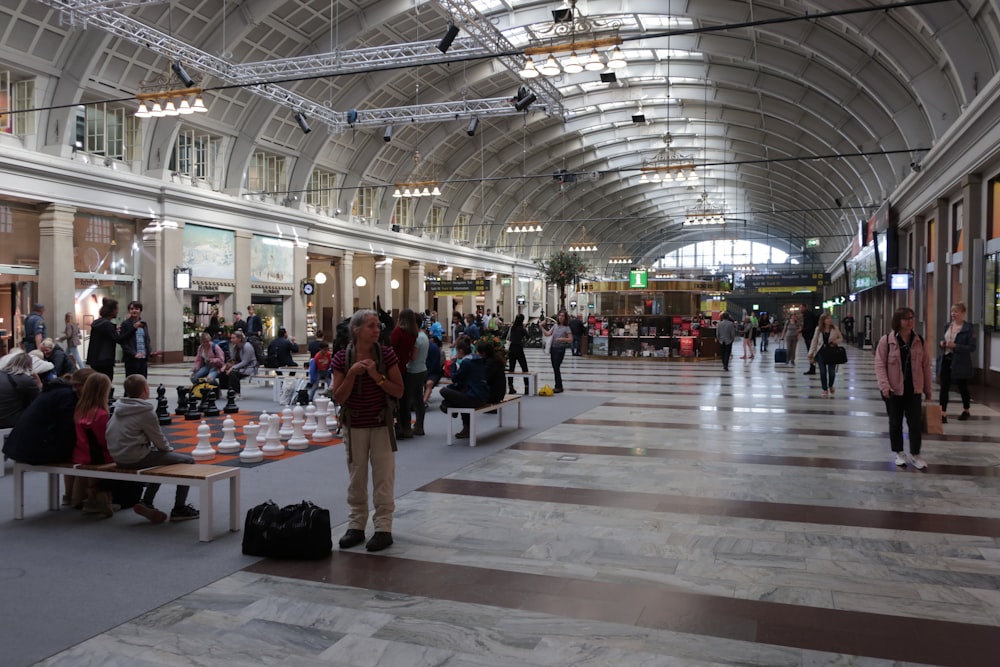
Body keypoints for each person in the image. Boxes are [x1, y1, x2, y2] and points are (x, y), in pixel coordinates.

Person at [332, 309, 404, 552]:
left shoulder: (386, 355)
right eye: (371, 326)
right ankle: (356, 524)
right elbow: (339, 396)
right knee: (357, 476)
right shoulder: (343, 358)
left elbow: (398, 391)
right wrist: (352, 374)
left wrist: (375, 375)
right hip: (354, 426)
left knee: (384, 476)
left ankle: (384, 527)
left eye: (378, 326)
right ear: (357, 329)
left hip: (381, 424)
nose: (377, 330)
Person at [107, 374, 200, 523]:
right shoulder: (145, 411)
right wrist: (168, 450)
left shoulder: (118, 407)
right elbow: (159, 440)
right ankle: (179, 508)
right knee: (187, 461)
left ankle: (147, 501)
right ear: (145, 389)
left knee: (159, 460)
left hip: (118, 457)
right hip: (135, 457)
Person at [875, 307, 932, 469]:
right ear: (898, 321)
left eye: (912, 318)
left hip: (914, 389)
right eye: (906, 319)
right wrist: (884, 385)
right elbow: (880, 365)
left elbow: (926, 366)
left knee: (915, 423)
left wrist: (928, 389)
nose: (910, 321)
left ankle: (916, 454)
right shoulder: (887, 340)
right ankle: (899, 452)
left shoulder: (919, 340)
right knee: (895, 422)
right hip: (893, 390)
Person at [72, 373, 115, 517]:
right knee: (116, 461)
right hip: (94, 455)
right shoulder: (101, 414)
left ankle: (89, 497)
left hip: (80, 453)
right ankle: (98, 496)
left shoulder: (79, 408)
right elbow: (103, 440)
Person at [439, 337, 488, 439]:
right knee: (455, 392)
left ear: (460, 351)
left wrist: (452, 364)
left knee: (444, 391)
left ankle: (449, 407)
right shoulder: (477, 359)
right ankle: (464, 427)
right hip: (482, 394)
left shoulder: (466, 362)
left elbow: (455, 378)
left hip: (474, 397)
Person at [937, 301, 976, 423]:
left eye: (956, 311)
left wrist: (956, 346)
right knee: (944, 387)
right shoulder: (947, 326)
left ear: (963, 313)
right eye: (952, 311)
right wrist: (942, 344)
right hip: (946, 359)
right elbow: (944, 340)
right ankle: (942, 413)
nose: (953, 314)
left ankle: (966, 409)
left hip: (960, 362)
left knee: (962, 386)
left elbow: (971, 347)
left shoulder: (968, 328)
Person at [390, 308, 419, 439]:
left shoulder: (398, 332)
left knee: (393, 400)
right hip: (404, 369)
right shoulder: (413, 334)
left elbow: (391, 349)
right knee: (404, 401)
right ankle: (406, 427)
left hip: (394, 368)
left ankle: (397, 427)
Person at [0, 351, 45, 428]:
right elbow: (39, 402)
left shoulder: (2, 374)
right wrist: (39, 384)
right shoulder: (27, 380)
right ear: (29, 366)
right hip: (11, 421)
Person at [807, 313, 844, 398]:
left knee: (832, 372)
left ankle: (831, 385)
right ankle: (824, 389)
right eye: (827, 319)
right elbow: (814, 341)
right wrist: (810, 353)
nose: (829, 320)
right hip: (821, 352)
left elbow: (841, 338)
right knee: (822, 371)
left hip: (831, 352)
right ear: (823, 320)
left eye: (830, 318)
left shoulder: (835, 328)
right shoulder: (818, 329)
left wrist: (835, 341)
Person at [87, 298, 120, 382]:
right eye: (116, 309)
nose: (118, 311)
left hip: (95, 359)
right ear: (112, 310)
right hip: (105, 360)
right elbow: (118, 339)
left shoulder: (98, 323)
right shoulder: (107, 324)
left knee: (97, 383)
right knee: (106, 383)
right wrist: (132, 329)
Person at [405, 326, 429, 436]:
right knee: (419, 400)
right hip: (422, 369)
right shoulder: (424, 336)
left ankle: (407, 428)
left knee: (408, 399)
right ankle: (420, 426)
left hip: (413, 370)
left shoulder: (416, 339)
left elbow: (413, 357)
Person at [118, 300, 151, 378]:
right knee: (132, 381)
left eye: (136, 309)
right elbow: (123, 341)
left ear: (140, 310)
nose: (134, 311)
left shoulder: (143, 324)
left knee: (142, 380)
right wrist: (133, 353)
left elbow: (146, 339)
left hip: (143, 357)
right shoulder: (125, 324)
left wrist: (149, 351)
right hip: (131, 358)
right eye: (132, 309)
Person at [543, 310, 573, 393]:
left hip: (560, 349)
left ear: (565, 317)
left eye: (563, 316)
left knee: (556, 366)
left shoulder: (567, 328)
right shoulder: (555, 326)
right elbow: (548, 334)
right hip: (553, 348)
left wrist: (562, 339)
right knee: (555, 367)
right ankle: (558, 385)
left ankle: (559, 386)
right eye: (560, 315)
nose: (561, 317)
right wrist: (541, 327)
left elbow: (570, 339)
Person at [221, 331, 257, 399]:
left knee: (233, 373)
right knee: (223, 372)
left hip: (249, 367)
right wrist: (225, 366)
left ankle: (237, 393)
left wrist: (232, 368)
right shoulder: (235, 347)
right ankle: (228, 391)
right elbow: (233, 359)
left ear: (239, 338)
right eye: (231, 338)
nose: (231, 340)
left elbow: (245, 362)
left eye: (233, 338)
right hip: (239, 366)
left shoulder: (247, 346)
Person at [506, 313, 531, 395]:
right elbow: (528, 336)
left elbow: (503, 336)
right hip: (519, 348)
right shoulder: (521, 328)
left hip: (511, 348)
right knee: (524, 368)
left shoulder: (511, 328)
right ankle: (526, 387)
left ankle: (511, 387)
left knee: (511, 368)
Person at [422, 335, 444, 408]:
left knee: (429, 383)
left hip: (433, 372)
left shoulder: (434, 348)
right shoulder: (419, 347)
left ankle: (423, 403)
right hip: (422, 371)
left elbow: (435, 365)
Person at [801, 307, 819, 374]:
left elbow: (810, 327)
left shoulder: (808, 315)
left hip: (809, 337)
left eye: (801, 308)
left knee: (811, 353)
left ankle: (812, 368)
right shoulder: (807, 315)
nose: (800, 309)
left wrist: (802, 330)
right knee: (811, 353)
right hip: (809, 337)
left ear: (805, 307)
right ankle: (812, 367)